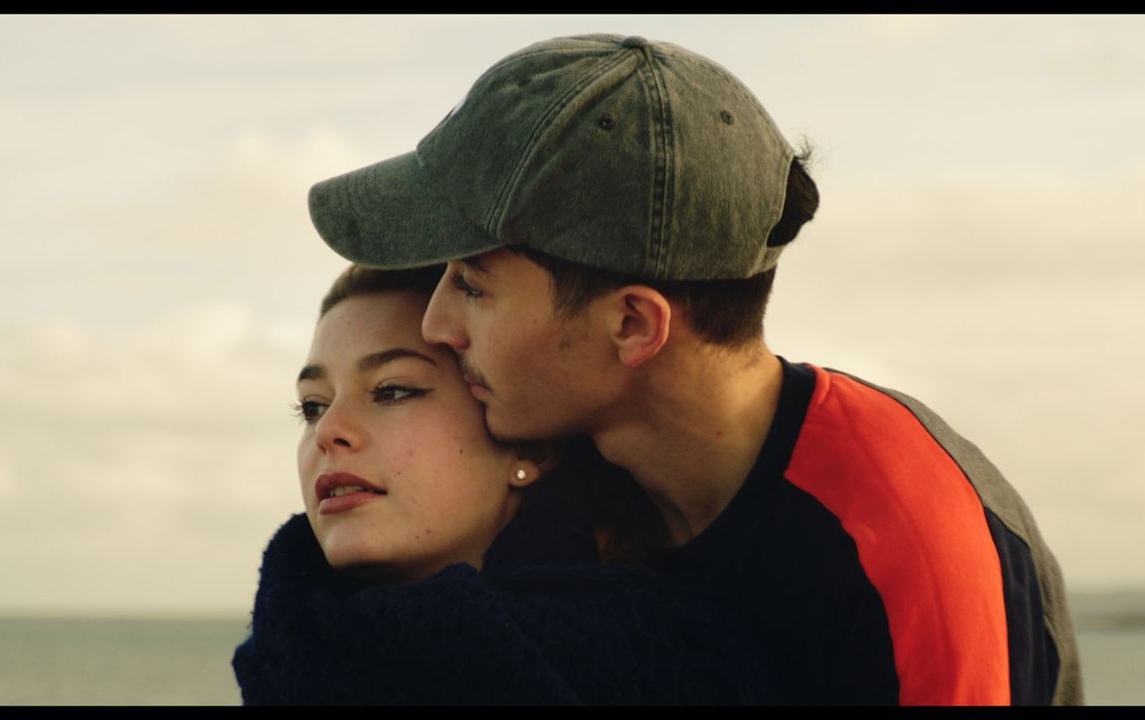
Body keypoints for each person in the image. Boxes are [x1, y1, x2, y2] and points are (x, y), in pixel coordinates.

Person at [304, 34, 1084, 705]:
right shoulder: (568, 487)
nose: (438, 323)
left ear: (633, 325)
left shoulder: (905, 548)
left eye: (473, 285)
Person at [231, 264, 777, 705]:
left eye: (393, 390)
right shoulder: (285, 657)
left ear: (529, 446)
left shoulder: (674, 668)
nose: (329, 431)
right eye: (312, 406)